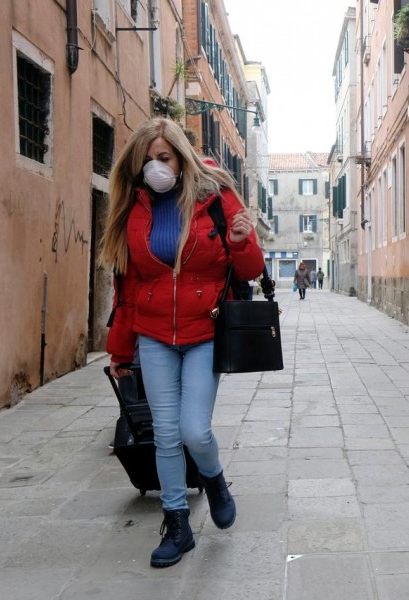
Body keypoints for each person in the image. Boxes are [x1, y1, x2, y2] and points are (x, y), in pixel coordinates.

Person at [100, 117, 264, 568]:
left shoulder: (214, 195)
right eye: (147, 160)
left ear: (180, 156)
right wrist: (120, 349)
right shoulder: (133, 208)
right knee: (166, 436)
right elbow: (126, 286)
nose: (156, 168)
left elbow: (249, 270)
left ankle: (214, 480)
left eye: (164, 158)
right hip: (153, 337)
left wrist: (241, 240)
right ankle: (176, 522)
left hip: (205, 331)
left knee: (194, 430)